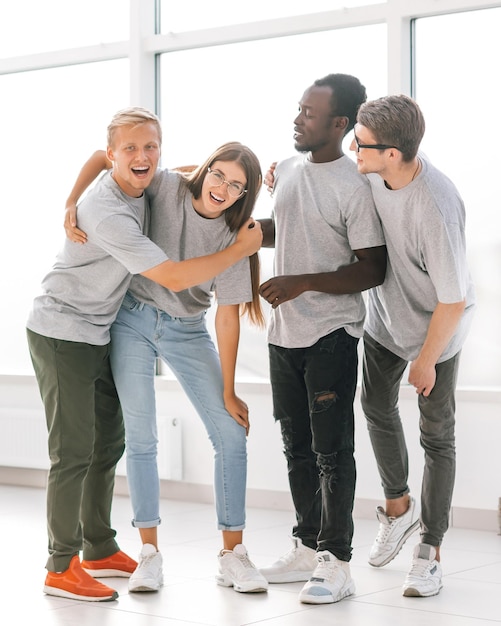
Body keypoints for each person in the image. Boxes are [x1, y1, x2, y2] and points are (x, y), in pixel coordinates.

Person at [26, 107, 262, 603]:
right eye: (129, 149)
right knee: (95, 447)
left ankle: (108, 548)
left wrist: (229, 388)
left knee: (115, 443)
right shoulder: (132, 203)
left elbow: (226, 314)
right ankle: (76, 563)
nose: (141, 157)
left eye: (149, 147)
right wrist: (240, 250)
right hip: (84, 324)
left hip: (120, 328)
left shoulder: (166, 188)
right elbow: (173, 276)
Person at [257, 73, 387, 605]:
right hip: (282, 334)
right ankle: (307, 546)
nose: (297, 119)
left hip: (331, 334)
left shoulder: (355, 186)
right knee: (296, 446)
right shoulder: (286, 169)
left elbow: (372, 269)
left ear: (340, 124)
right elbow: (281, 229)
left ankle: (337, 560)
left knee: (333, 450)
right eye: (298, 109)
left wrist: (302, 281)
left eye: (309, 114)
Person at [351, 94, 475, 597]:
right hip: (387, 319)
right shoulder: (373, 173)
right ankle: (398, 509)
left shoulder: (436, 207)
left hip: (437, 331)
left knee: (436, 436)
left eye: (359, 144)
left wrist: (426, 361)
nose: (352, 150)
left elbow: (453, 299)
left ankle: (431, 551)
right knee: (376, 407)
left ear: (393, 154)